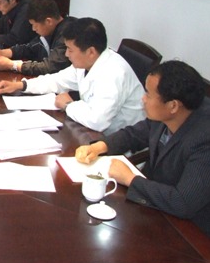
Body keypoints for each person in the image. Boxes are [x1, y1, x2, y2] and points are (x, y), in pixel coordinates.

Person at [75, 60, 210, 237]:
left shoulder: (204, 139)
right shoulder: (166, 116)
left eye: (148, 94)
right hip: (155, 206)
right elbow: (137, 133)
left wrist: (130, 179)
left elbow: (183, 203)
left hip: (190, 233)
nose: (143, 99)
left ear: (173, 106)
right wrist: (100, 146)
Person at [0, 17, 145, 134]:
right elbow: (57, 80)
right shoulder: (87, 62)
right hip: (92, 133)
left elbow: (98, 121)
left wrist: (68, 105)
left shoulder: (113, 74)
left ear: (91, 51)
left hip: (119, 146)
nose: (66, 54)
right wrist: (20, 85)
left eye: (70, 50)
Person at [0, 0, 75, 76]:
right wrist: (2, 52)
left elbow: (50, 67)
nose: (33, 29)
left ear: (48, 21)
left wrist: (13, 65)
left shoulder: (69, 33)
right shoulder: (49, 31)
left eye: (34, 25)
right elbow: (30, 48)